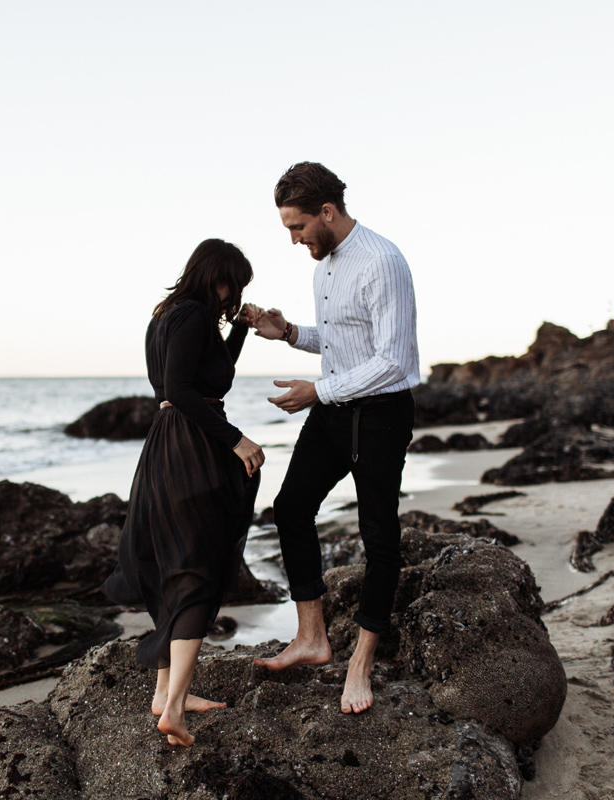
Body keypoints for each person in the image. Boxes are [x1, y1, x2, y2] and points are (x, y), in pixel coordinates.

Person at [245, 162, 419, 714]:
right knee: (291, 508)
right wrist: (290, 333)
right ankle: (312, 638)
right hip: (336, 410)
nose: (295, 240)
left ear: (327, 210)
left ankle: (360, 664)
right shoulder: (323, 267)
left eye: (298, 228)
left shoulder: (382, 262)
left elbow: (392, 362)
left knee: (378, 536)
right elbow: (345, 339)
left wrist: (318, 392)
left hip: (381, 414)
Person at [101, 238, 265, 746]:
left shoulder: (167, 315)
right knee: (198, 568)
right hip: (192, 444)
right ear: (218, 275)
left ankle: (165, 691)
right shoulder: (194, 315)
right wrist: (236, 439)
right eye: (231, 285)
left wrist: (239, 329)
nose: (231, 296)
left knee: (178, 563)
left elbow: (211, 375)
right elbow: (182, 389)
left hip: (164, 446)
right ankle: (173, 709)